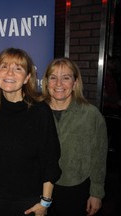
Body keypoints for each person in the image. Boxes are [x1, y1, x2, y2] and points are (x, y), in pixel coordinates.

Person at [0, 48, 61, 216]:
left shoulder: (40, 111)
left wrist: (45, 202)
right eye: (4, 66)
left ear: (27, 77)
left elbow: (50, 159)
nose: (9, 72)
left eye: (18, 68)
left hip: (30, 199)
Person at [41, 57, 108, 216]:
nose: (58, 84)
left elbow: (98, 157)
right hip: (38, 187)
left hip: (75, 190)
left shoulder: (91, 115)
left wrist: (96, 193)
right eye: (53, 77)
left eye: (66, 78)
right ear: (46, 82)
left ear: (75, 83)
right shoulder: (35, 111)